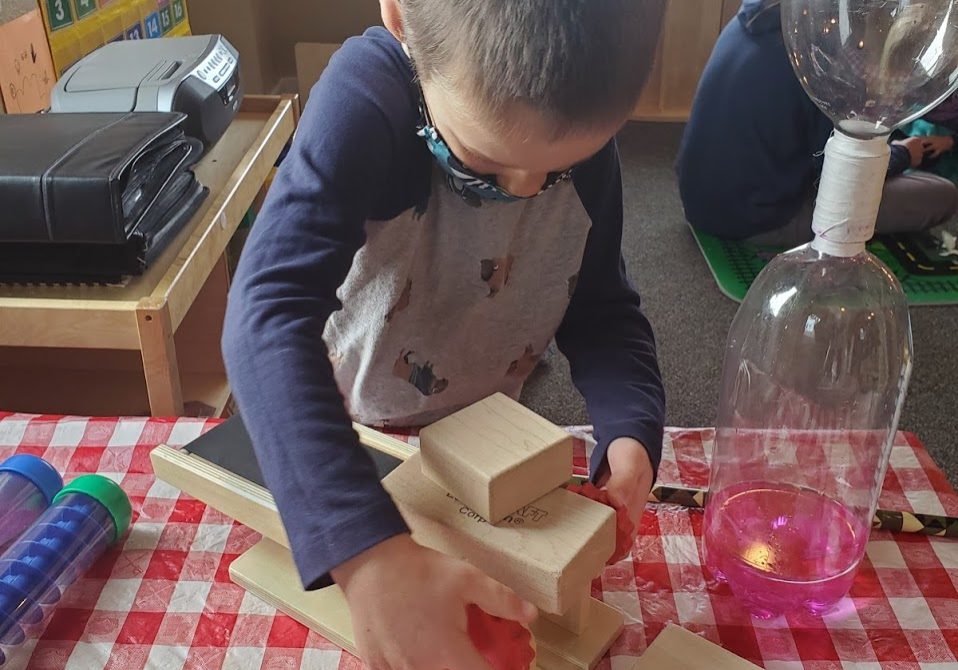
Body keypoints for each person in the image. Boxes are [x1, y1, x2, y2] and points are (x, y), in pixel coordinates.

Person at [222, 1, 667, 667]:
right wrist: (369, 561)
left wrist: (632, 435)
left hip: (487, 447)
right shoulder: (364, 103)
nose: (529, 188)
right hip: (351, 439)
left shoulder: (575, 132)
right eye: (488, 162)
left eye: (564, 166)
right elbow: (264, 314)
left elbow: (602, 311)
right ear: (401, 18)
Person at [676, 0, 958, 247]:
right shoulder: (821, 62)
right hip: (757, 219)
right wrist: (905, 153)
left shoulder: (759, 17)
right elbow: (841, 174)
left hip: (698, 198)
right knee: (942, 195)